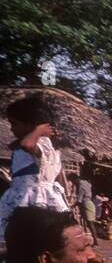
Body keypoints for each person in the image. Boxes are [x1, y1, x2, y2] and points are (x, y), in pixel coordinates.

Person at [0, 95, 70, 236]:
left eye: (15, 124)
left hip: (35, 199)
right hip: (21, 194)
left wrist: (38, 131)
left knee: (35, 234)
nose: (12, 129)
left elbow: (28, 144)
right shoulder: (22, 147)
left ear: (32, 124)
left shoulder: (42, 143)